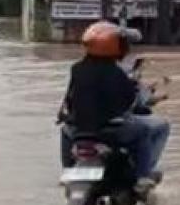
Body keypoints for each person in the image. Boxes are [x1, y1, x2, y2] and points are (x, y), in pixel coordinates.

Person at [59, 21, 167, 192]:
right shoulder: (116, 72)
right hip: (110, 131)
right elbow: (129, 101)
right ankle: (142, 177)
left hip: (79, 131)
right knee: (148, 130)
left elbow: (69, 100)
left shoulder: (77, 69)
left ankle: (68, 171)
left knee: (65, 131)